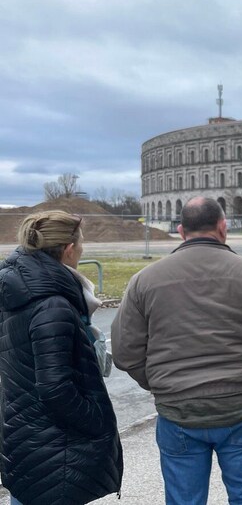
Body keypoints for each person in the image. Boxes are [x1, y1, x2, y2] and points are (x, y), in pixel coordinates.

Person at [111, 197, 242, 505]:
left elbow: (125, 352)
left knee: (184, 501)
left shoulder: (144, 280)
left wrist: (160, 382)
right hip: (239, 405)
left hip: (178, 409)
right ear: (223, 228)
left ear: (181, 231)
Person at [0, 211, 123, 505]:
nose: (82, 251)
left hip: (23, 433)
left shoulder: (18, 290)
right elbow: (55, 388)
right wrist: (97, 421)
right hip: (54, 444)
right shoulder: (52, 304)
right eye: (81, 244)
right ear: (69, 250)